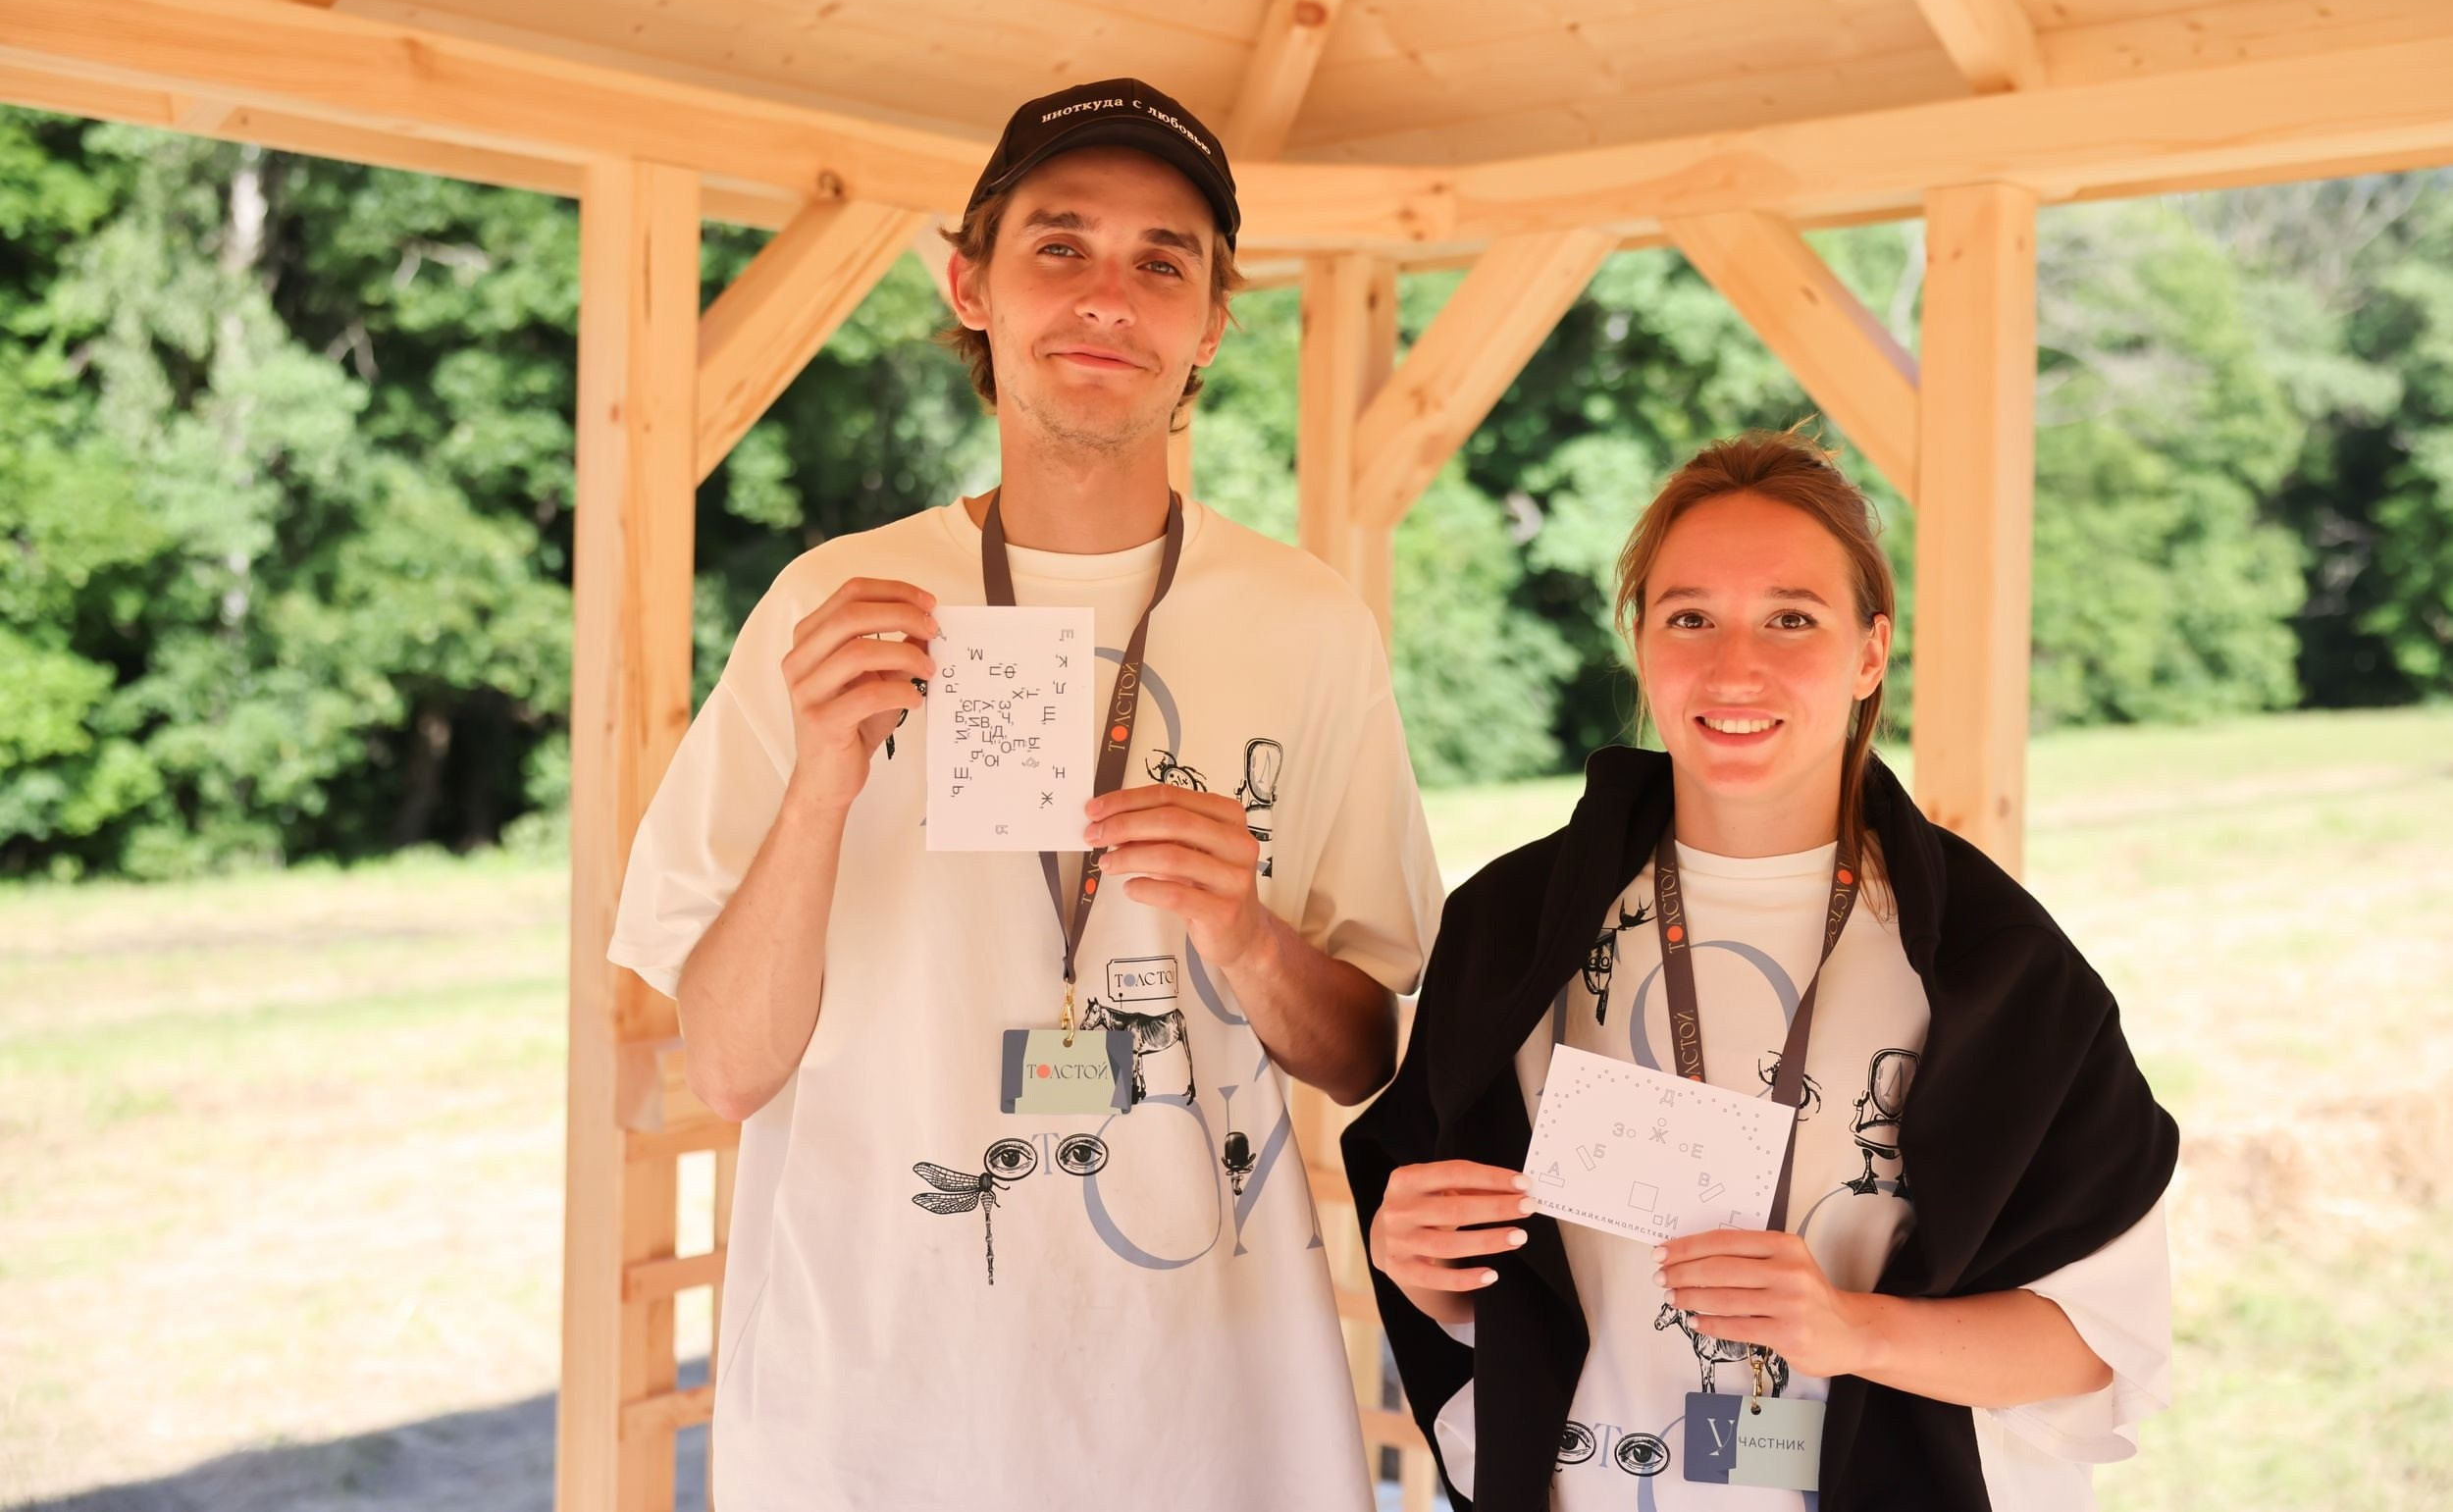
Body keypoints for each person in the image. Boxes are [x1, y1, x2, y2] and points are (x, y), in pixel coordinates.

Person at [606, 78, 1443, 1510]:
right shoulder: (830, 605)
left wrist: (1243, 931)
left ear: (1209, 326)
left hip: (1212, 1412)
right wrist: (822, 781)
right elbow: (733, 1067)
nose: (1107, 295)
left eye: (1161, 260)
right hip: (877, 1411)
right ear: (972, 284)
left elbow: (1372, 1049)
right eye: (1059, 245)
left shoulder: (1309, 625)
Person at [1344, 430, 2176, 1510]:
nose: (1736, 665)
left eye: (1792, 617)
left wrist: (1848, 1328)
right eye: (1689, 616)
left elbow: (2094, 1342)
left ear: (1871, 652)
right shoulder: (1513, 926)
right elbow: (1488, 1306)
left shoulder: (1990, 960)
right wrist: (1420, 1262)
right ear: (1639, 639)